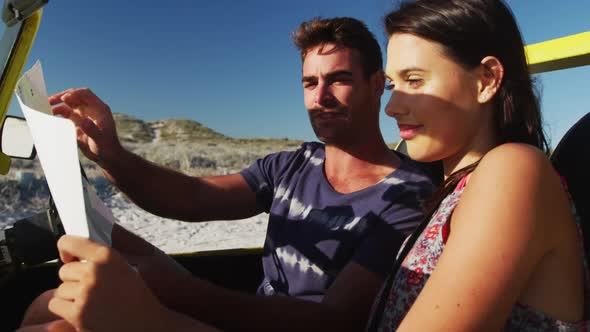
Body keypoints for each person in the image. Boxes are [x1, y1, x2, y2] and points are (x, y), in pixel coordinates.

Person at [19, 17, 435, 332]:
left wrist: (174, 291)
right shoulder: (291, 165)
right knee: (51, 303)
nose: (320, 97)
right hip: (242, 316)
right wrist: (111, 155)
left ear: (377, 84)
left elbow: (332, 320)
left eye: (339, 80)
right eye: (310, 83)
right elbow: (194, 196)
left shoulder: (407, 194)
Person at [365, 0, 588, 330]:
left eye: (414, 80)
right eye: (392, 86)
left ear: (486, 79)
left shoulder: (512, 170)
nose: (392, 107)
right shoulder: (453, 192)